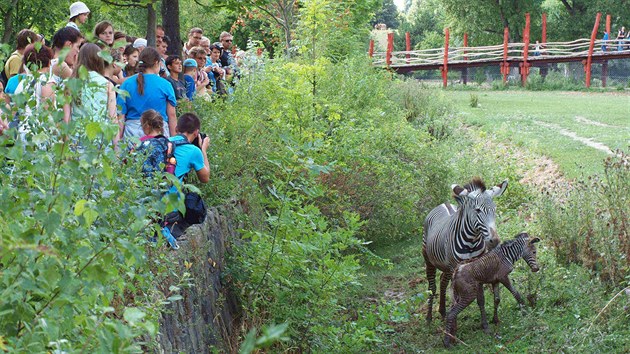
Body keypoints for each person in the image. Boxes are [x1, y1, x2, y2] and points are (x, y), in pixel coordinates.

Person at [117, 47, 177, 139]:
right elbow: (172, 115)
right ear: (157, 62)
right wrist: (174, 141)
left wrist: (117, 144)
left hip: (132, 133)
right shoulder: (166, 85)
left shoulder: (126, 84)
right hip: (158, 133)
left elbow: (121, 115)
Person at [64, 43, 117, 133]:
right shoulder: (107, 85)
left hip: (76, 138)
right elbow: (113, 119)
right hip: (100, 138)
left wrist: (64, 143)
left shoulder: (71, 83)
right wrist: (116, 146)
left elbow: (66, 118)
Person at [168, 112, 210, 187]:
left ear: (176, 129)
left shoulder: (165, 141)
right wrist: (203, 150)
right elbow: (205, 178)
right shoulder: (194, 150)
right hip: (172, 197)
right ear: (196, 133)